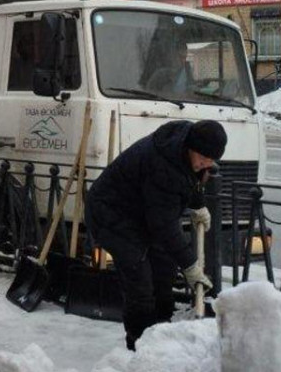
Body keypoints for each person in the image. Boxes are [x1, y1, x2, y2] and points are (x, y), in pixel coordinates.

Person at [85, 120, 225, 351]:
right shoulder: (164, 164)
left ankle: (161, 335)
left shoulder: (187, 151)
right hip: (112, 214)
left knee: (163, 272)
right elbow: (165, 226)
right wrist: (190, 266)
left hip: (142, 211)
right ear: (190, 147)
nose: (206, 164)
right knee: (140, 284)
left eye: (211, 160)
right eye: (203, 158)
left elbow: (191, 181)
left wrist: (198, 205)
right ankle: (139, 346)